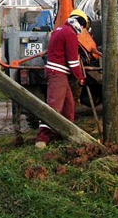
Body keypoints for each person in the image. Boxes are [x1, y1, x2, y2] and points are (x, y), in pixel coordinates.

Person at [35, 9, 88, 148]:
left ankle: (66, 134)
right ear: (80, 23)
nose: (82, 30)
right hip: (57, 74)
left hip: (57, 73)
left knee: (68, 106)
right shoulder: (70, 34)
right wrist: (80, 77)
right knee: (54, 106)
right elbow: (73, 61)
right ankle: (42, 138)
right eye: (83, 27)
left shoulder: (59, 30)